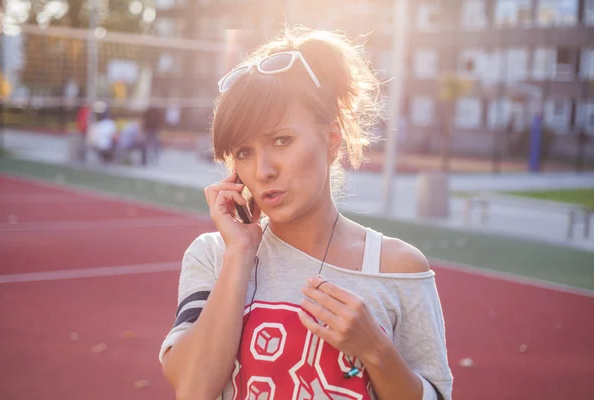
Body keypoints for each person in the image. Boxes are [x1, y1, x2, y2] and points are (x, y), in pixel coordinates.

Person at [159, 27, 453, 400]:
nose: (263, 170)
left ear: (331, 140)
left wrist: (376, 349)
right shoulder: (214, 256)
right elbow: (192, 389)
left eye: (281, 141)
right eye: (244, 152)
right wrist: (240, 254)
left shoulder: (397, 267)